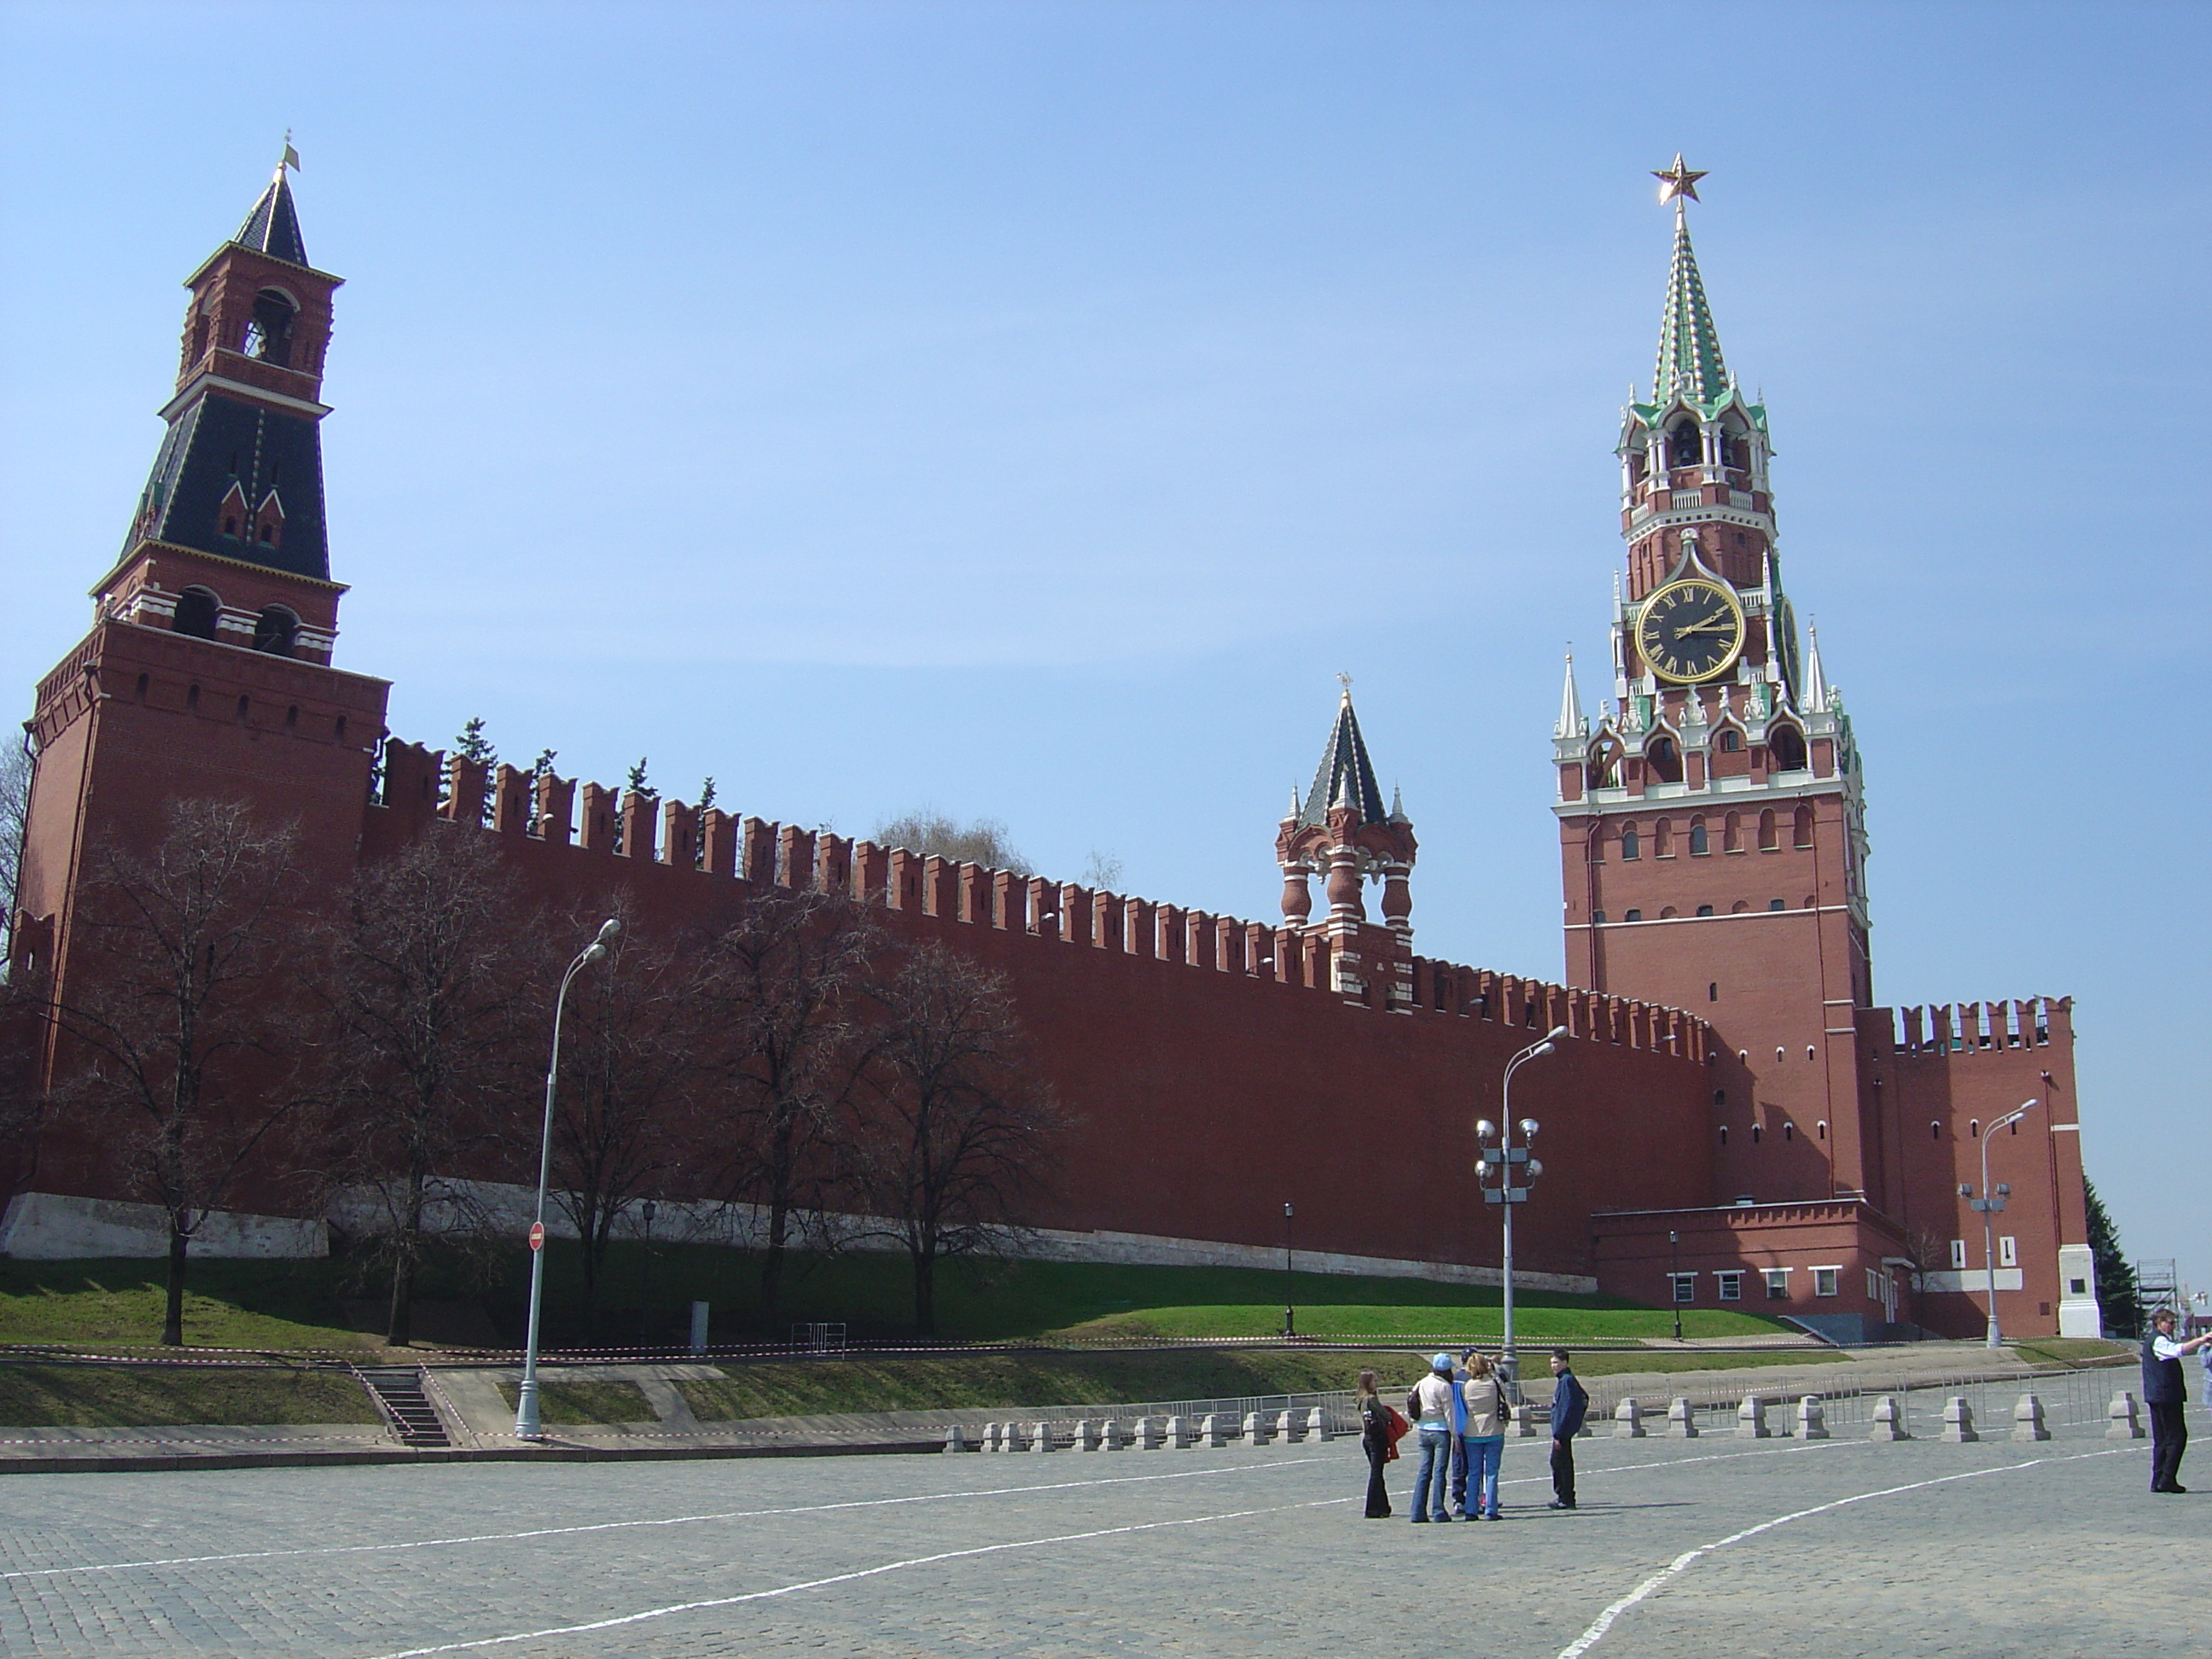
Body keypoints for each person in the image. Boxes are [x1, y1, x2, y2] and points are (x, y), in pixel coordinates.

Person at [2142, 1307, 2212, 1493]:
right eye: (2170, 1323)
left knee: (2163, 1439)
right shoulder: (2158, 1340)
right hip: (2165, 1396)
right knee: (2176, 1437)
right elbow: (2177, 1351)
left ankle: (2158, 1480)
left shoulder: (2156, 1339)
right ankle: (2166, 1479)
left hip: (2159, 1395)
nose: (2173, 1327)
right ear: (2160, 1323)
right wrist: (2201, 1340)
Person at [1459, 1352, 1508, 1520]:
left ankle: (1471, 1509)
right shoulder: (1493, 1383)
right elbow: (1505, 1393)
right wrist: (1493, 1371)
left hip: (1472, 1432)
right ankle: (1491, 1508)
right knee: (1492, 1472)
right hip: (1494, 1430)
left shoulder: (1466, 1386)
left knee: (1474, 1472)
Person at [1409, 1353, 1458, 1522]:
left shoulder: (1421, 1382)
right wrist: (1455, 1437)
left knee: (1424, 1471)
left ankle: (1417, 1510)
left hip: (1423, 1429)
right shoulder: (1444, 1386)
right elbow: (1450, 1415)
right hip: (1440, 1431)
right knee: (1439, 1472)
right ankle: (1438, 1510)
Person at [1547, 1348, 1589, 1510]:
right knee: (1561, 1463)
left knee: (1560, 1464)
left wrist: (1558, 1433)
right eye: (1552, 1363)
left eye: (1556, 1362)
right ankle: (1565, 1496)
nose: (1553, 1366)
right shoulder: (1566, 1380)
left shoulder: (1566, 1381)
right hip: (1564, 1430)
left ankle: (1565, 1497)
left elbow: (1565, 1408)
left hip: (1562, 1432)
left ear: (1565, 1363)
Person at [1355, 1369, 1394, 1518]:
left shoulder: (1360, 1399)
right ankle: (1371, 1508)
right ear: (1368, 1383)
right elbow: (1386, 1416)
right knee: (1376, 1474)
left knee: (1377, 1472)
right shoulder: (1371, 1399)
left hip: (1367, 1438)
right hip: (1377, 1437)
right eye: (1374, 1381)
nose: (1377, 1384)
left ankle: (1383, 1506)